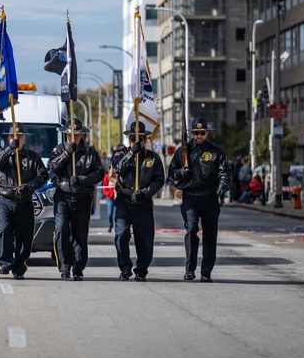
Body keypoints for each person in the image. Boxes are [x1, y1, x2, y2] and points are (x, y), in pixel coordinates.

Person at [168, 117, 231, 283]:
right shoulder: (183, 151)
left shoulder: (216, 151)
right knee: (191, 229)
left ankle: (206, 271)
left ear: (207, 133)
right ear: (192, 133)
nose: (199, 136)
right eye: (196, 133)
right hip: (190, 197)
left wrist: (223, 186)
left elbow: (225, 172)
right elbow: (172, 173)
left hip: (209, 197)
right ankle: (190, 269)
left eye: (202, 133)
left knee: (210, 235)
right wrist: (181, 172)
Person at [49, 118, 104, 280]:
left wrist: (81, 179)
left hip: (82, 198)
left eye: (76, 135)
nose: (73, 138)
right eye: (69, 135)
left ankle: (78, 267)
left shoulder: (90, 153)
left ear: (81, 135)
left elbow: (100, 173)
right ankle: (65, 266)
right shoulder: (58, 150)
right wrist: (66, 154)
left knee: (80, 233)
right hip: (63, 197)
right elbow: (52, 168)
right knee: (61, 229)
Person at [0, 123, 47, 280]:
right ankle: (5, 263)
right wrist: (10, 149)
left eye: (18, 137)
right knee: (4, 230)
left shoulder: (32, 157)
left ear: (24, 138)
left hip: (24, 201)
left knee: (25, 237)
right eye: (11, 137)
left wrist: (29, 187)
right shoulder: (2, 154)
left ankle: (19, 267)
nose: (15, 139)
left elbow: (42, 175)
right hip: (6, 200)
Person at [111, 122, 165, 282]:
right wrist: (131, 154)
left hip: (143, 203)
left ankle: (141, 270)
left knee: (145, 239)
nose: (137, 142)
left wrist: (143, 193)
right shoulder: (120, 154)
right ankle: (125, 268)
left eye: (140, 139)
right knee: (121, 235)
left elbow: (159, 180)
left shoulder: (153, 158)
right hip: (124, 201)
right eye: (133, 139)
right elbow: (117, 169)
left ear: (145, 139)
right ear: (129, 139)